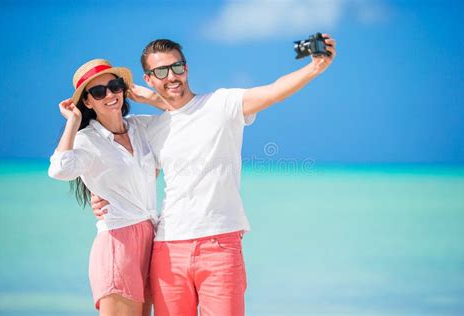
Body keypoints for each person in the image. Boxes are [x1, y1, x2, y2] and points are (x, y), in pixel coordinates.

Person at [92, 36, 336, 315]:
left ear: (187, 68)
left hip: (220, 245)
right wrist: (98, 193)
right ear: (148, 79)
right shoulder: (150, 129)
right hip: (167, 249)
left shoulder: (222, 104)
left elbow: (274, 90)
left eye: (177, 67)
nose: (171, 76)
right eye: (161, 71)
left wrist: (315, 67)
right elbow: (116, 160)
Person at [48, 59, 161, 316]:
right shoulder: (86, 140)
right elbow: (59, 169)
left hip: (151, 239)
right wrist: (73, 121)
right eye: (98, 92)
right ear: (87, 101)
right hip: (118, 244)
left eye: (115, 86)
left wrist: (152, 99)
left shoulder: (140, 128)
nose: (109, 94)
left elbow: (183, 120)